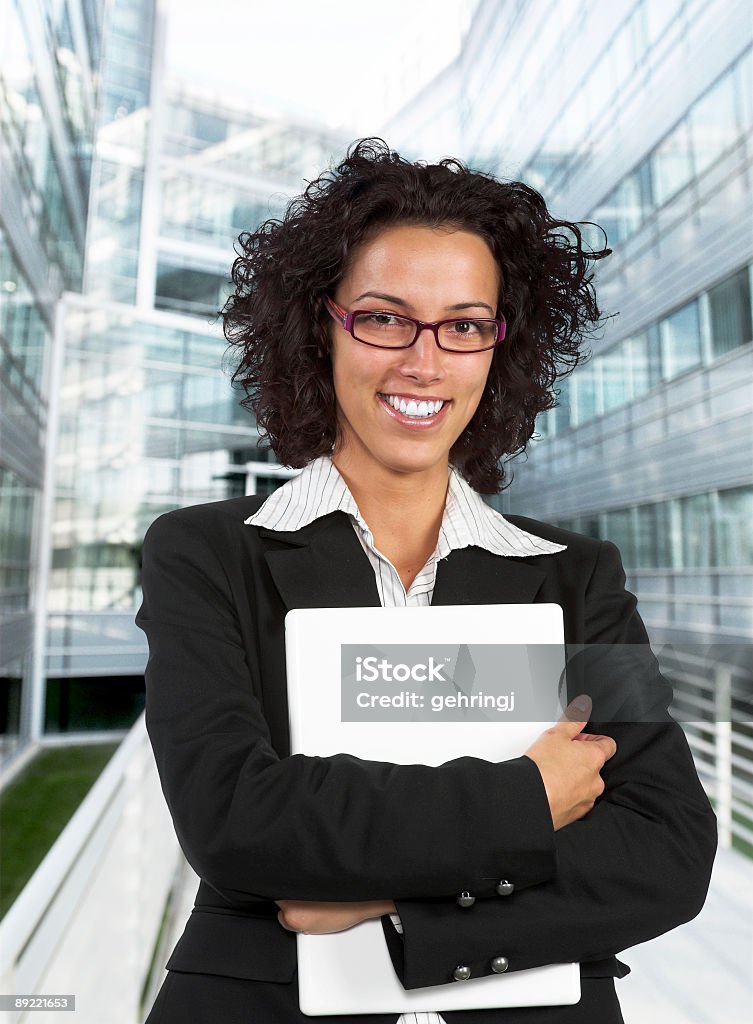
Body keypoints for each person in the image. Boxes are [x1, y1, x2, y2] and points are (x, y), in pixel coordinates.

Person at [137, 139, 717, 1024]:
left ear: (496, 349)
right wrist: (529, 798)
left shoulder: (574, 578)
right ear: (317, 325)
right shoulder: (207, 555)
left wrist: (394, 909)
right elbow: (234, 819)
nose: (424, 361)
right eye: (383, 317)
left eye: (465, 324)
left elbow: (667, 849)